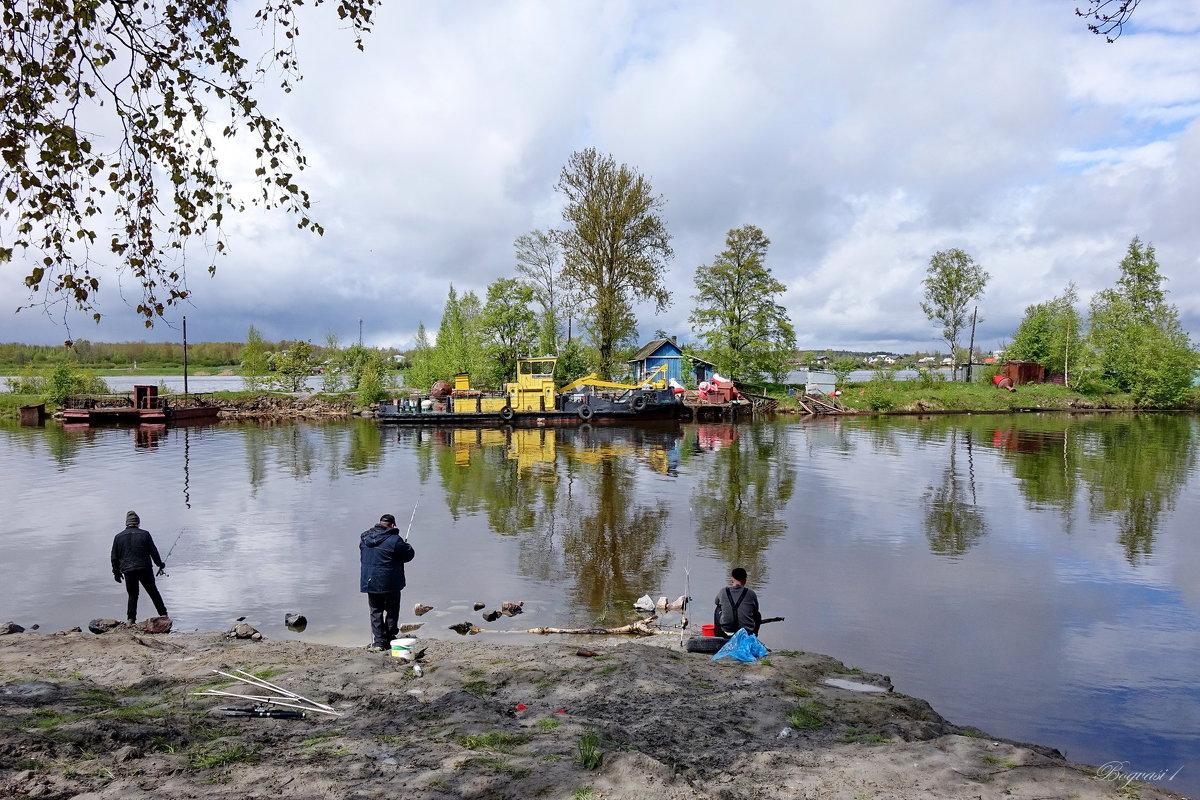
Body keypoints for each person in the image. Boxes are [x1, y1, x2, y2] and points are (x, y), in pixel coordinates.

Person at [360, 513, 416, 652]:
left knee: (375, 611)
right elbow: (409, 554)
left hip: (370, 581)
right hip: (390, 582)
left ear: (379, 523)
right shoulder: (395, 540)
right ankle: (390, 637)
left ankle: (379, 643)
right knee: (392, 610)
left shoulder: (365, 538)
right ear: (392, 525)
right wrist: (405, 545)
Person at [111, 511, 168, 625]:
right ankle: (163, 615)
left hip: (128, 570)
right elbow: (153, 552)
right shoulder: (145, 534)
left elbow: (114, 557)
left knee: (133, 595)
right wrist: (160, 564)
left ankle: (131, 620)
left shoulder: (118, 537)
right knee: (153, 592)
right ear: (138, 523)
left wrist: (116, 573)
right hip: (144, 568)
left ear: (127, 523)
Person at [713, 567, 762, 639]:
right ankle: (754, 636)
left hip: (726, 632)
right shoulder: (751, 593)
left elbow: (716, 602)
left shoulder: (723, 591)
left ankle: (719, 636)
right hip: (746, 632)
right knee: (758, 614)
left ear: (732, 579)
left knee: (718, 608)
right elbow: (755, 610)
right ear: (745, 580)